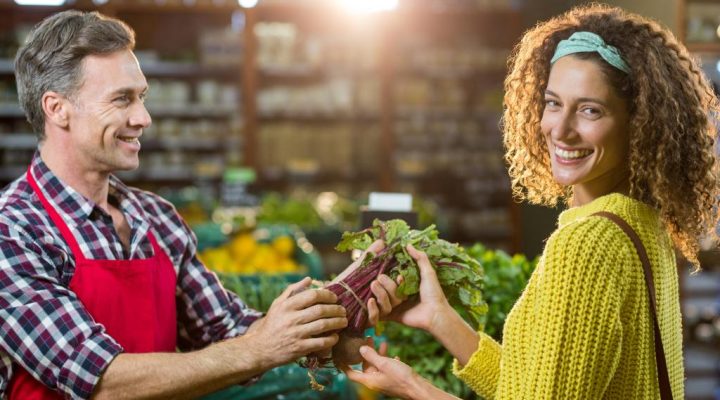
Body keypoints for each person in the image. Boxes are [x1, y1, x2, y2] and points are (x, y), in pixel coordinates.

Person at [0, 10, 397, 399]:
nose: (143, 117)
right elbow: (100, 381)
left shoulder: (156, 218)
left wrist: (341, 325)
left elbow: (230, 329)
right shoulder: (13, 230)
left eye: (142, 97)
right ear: (57, 109)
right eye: (122, 99)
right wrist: (257, 349)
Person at [344, 4, 720, 399]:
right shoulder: (642, 225)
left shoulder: (588, 245)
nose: (560, 129)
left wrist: (412, 387)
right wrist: (441, 319)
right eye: (553, 102)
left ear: (639, 124)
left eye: (590, 110)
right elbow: (533, 387)